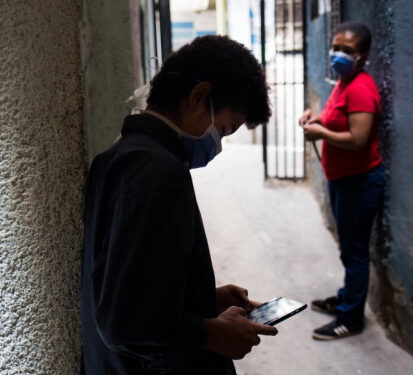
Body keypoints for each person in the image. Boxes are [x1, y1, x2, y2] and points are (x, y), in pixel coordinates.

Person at [81, 35, 277, 374]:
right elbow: (127, 324)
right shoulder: (158, 173)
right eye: (225, 129)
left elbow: (123, 281)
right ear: (199, 96)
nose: (219, 144)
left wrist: (202, 297)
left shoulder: (116, 158)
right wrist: (212, 333)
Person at [299, 22, 385, 340]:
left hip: (358, 182)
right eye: (335, 47)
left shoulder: (361, 87)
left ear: (362, 56)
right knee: (348, 246)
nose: (338, 54)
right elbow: (337, 116)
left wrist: (320, 133)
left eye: (347, 50)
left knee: (355, 251)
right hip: (342, 179)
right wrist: (315, 118)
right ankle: (347, 297)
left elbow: (358, 139)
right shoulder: (343, 82)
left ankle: (351, 318)